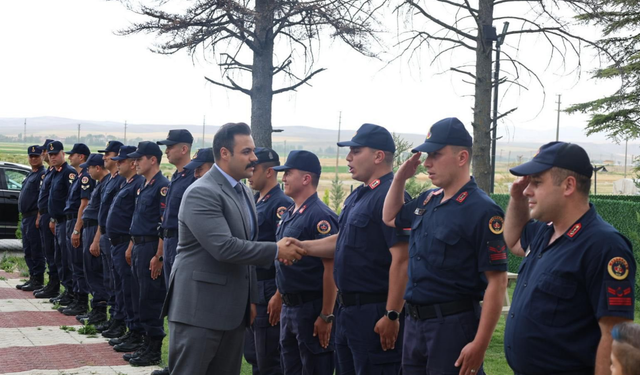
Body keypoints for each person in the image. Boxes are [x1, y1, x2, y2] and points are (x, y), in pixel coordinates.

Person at [162, 122, 306, 375]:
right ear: (225, 153)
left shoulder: (242, 191)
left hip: (232, 313)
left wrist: (250, 299)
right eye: (247, 152)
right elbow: (224, 248)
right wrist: (276, 250)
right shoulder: (202, 192)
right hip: (199, 310)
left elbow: (246, 249)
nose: (254, 158)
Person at [382, 117, 508, 375]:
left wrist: (480, 344)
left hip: (452, 326)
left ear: (462, 157)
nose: (427, 163)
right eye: (427, 155)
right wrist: (399, 179)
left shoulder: (482, 209)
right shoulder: (428, 199)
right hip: (415, 324)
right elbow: (390, 217)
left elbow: (498, 281)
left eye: (436, 155)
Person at [503, 141, 636, 375]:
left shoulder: (604, 246)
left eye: (536, 182)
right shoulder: (546, 231)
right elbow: (512, 241)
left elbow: (612, 333)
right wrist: (516, 198)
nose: (527, 190)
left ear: (568, 185)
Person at [292, 124, 410, 375]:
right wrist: (301, 246)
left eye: (356, 151)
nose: (348, 158)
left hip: (374, 310)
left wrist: (392, 314)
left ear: (378, 156)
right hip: (348, 312)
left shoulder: (391, 196)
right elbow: (342, 240)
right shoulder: (359, 196)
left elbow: (403, 259)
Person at [272, 150, 339, 375]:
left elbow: (331, 269)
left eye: (288, 173)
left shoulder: (320, 216)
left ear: (306, 178)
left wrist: (326, 315)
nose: (283, 178)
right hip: (290, 308)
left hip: (310, 307)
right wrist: (279, 295)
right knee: (290, 367)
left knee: (314, 367)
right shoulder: (290, 213)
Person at [243, 147, 293, 375]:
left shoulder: (280, 205)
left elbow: (285, 253)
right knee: (253, 353)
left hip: (268, 287)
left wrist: (279, 294)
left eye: (254, 169)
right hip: (252, 286)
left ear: (270, 171)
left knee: (269, 357)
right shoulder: (253, 200)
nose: (249, 174)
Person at [121, 141, 170, 367]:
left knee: (151, 298)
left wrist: (159, 256)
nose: (135, 163)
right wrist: (131, 245)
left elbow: (163, 224)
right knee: (140, 296)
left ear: (152, 160)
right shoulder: (143, 185)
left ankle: (154, 349)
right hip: (139, 245)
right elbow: (137, 219)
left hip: (151, 247)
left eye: (139, 159)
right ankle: (144, 343)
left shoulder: (162, 186)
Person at [102, 146, 145, 348]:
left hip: (126, 243)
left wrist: (129, 245)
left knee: (128, 290)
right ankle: (126, 326)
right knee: (119, 287)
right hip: (115, 242)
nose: (117, 164)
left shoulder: (138, 184)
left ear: (131, 163)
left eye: (121, 161)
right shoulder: (125, 183)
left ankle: (134, 331)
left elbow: (135, 218)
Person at [60, 143, 95, 317]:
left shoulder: (86, 176)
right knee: (72, 263)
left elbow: (84, 204)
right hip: (70, 221)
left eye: (72, 154)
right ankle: (75, 297)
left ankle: (81, 302)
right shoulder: (80, 175)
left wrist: (76, 229)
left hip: (76, 222)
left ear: (81, 157)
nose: (69, 157)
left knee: (78, 264)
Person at [157, 129, 195, 286]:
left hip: (181, 241)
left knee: (180, 289)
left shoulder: (193, 177)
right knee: (170, 291)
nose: (166, 151)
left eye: (170, 147)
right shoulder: (177, 176)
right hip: (168, 240)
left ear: (184, 149)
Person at [75, 153, 110, 326]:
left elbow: (102, 216)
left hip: (95, 229)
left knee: (96, 272)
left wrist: (96, 239)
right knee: (89, 270)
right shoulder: (101, 184)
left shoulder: (105, 185)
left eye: (88, 168)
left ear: (97, 168)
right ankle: (95, 308)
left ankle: (100, 311)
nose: (87, 171)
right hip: (89, 228)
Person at [96, 140, 125, 333]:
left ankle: (119, 320)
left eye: (109, 154)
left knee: (118, 282)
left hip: (120, 239)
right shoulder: (111, 179)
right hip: (108, 235)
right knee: (110, 280)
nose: (105, 157)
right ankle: (114, 318)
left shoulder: (123, 180)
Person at [46, 140, 76, 306]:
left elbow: (71, 199)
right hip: (57, 221)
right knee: (59, 258)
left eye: (55, 154)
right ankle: (66, 290)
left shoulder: (68, 173)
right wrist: (52, 218)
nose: (53, 157)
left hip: (66, 221)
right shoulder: (55, 172)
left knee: (66, 258)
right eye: (50, 155)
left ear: (62, 154)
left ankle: (71, 292)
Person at [16, 145, 47, 292]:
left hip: (34, 215)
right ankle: (32, 277)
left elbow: (42, 198)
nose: (33, 159)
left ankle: (38, 280)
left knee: (36, 249)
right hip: (26, 217)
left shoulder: (42, 174)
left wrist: (39, 216)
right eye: (31, 156)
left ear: (41, 156)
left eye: (36, 156)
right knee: (28, 249)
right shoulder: (31, 174)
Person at [34, 139, 60, 299]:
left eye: (50, 153)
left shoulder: (62, 172)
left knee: (52, 253)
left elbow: (58, 199)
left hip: (52, 217)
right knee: (47, 251)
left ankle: (54, 285)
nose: (47, 155)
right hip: (44, 215)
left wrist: (52, 218)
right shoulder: (50, 172)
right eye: (46, 152)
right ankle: (51, 284)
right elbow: (44, 197)